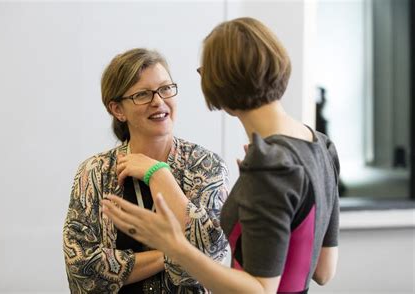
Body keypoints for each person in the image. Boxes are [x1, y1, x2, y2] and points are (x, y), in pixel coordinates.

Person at [103, 17, 340, 294]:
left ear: (220, 81)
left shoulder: (269, 166)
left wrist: (175, 246)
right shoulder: (321, 146)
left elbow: (259, 290)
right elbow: (324, 271)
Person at [63, 48, 230, 293]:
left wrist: (157, 173)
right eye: (142, 94)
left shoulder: (206, 165)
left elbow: (211, 257)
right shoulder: (94, 172)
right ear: (117, 109)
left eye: (165, 89)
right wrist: (172, 251)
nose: (158, 101)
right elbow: (82, 270)